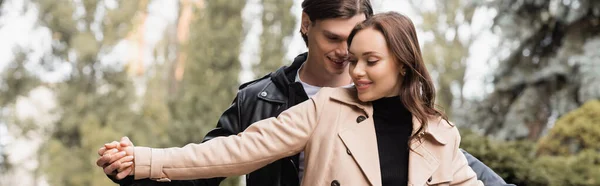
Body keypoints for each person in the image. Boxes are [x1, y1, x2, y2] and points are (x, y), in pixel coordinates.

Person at [96, 0, 511, 186]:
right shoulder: (322, 107)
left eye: (370, 60)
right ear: (306, 25)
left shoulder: (436, 131)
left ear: (402, 62)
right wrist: (144, 161)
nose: (354, 66)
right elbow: (230, 152)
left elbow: (471, 178)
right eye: (352, 56)